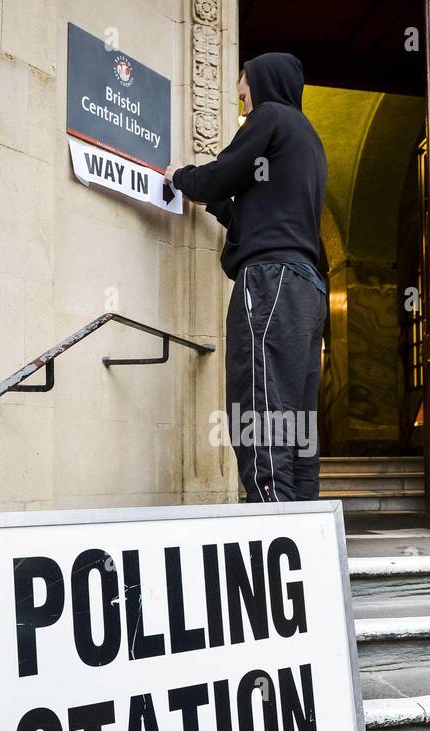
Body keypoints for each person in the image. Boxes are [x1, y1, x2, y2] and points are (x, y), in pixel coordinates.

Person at [165, 53, 328, 503]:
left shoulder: (270, 116)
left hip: (271, 282)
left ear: (261, 82)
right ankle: (301, 522)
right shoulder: (309, 140)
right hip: (306, 289)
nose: (242, 100)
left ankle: (270, 521)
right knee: (297, 414)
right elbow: (257, 211)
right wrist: (213, 202)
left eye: (243, 88)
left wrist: (181, 176)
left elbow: (221, 174)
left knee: (260, 400)